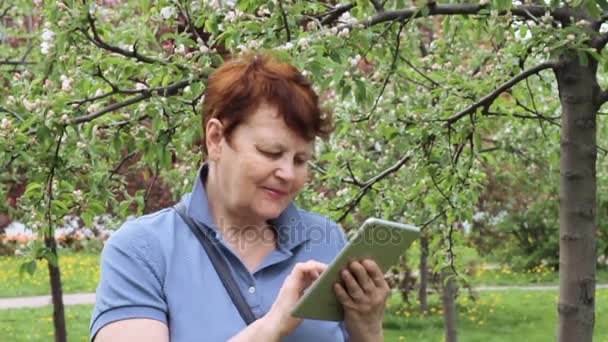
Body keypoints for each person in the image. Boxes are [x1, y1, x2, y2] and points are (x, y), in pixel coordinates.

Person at [90, 52, 389, 342]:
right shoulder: (142, 251)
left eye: (300, 160)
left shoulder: (326, 240)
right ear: (216, 139)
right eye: (270, 153)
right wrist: (271, 327)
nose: (287, 172)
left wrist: (368, 328)